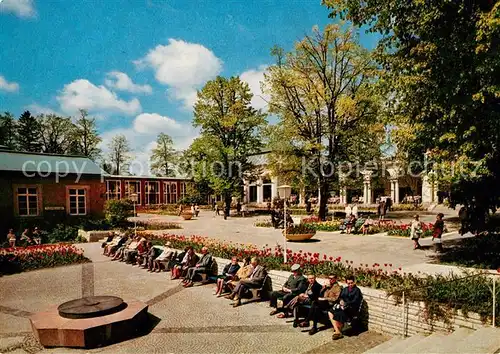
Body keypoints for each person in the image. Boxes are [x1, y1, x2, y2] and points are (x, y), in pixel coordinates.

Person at [328, 275, 363, 340]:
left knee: (339, 313)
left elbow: (355, 301)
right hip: (343, 306)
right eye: (348, 283)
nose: (350, 284)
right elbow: (340, 297)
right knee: (330, 312)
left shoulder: (357, 290)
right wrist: (341, 301)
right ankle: (337, 331)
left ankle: (337, 331)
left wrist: (346, 304)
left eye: (351, 283)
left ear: (354, 282)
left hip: (351, 308)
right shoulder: (345, 289)